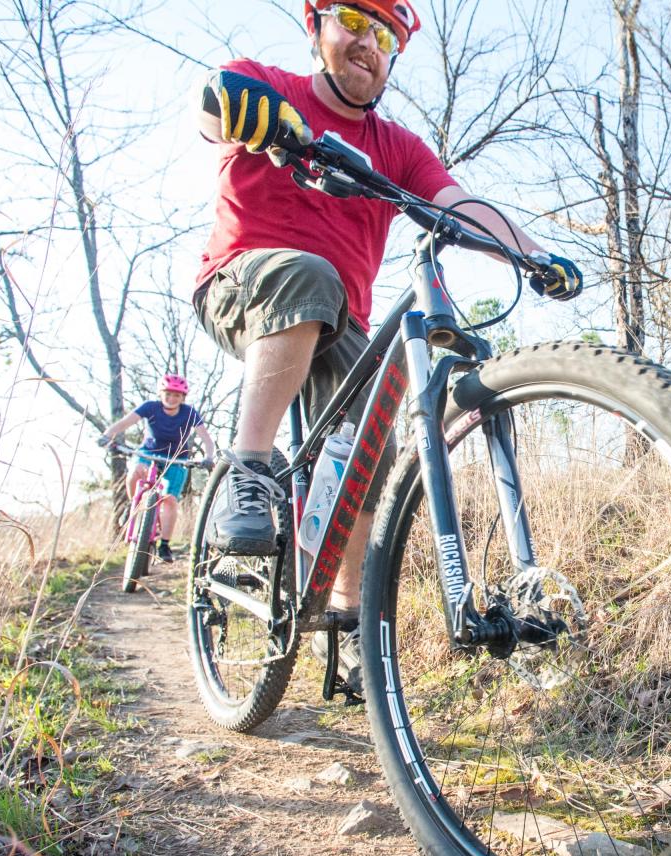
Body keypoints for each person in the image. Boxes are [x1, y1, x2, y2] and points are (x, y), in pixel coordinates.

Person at [191, 0, 582, 624]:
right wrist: (236, 105)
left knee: (369, 446)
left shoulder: (397, 148)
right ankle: (249, 470)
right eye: (353, 21)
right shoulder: (273, 88)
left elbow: (460, 204)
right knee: (310, 276)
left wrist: (531, 254)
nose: (369, 43)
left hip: (339, 320)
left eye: (385, 37)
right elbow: (213, 105)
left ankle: (347, 621)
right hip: (242, 284)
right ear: (316, 26)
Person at [98, 374, 217, 562]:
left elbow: (207, 439)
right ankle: (133, 507)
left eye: (176, 395)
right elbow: (125, 422)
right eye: (168, 394)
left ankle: (164, 545)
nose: (171, 398)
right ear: (161, 394)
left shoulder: (189, 413)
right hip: (149, 452)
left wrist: (209, 457)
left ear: (183, 398)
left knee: (170, 499)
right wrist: (107, 435)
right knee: (135, 473)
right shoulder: (150, 407)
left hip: (177, 458)